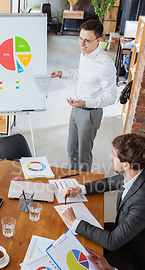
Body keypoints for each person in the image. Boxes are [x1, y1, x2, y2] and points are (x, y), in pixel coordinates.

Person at [60, 134, 145, 270]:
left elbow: (112, 242)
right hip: (132, 234)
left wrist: (74, 221)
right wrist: (80, 189)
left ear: (126, 164)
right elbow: (112, 182)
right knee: (78, 239)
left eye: (114, 155)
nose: (110, 156)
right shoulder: (140, 169)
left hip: (139, 256)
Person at [51, 19, 117, 172]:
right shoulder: (85, 54)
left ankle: (82, 186)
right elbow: (82, 74)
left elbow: (111, 97)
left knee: (83, 155)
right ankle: (71, 179)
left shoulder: (105, 65)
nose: (82, 43)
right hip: (76, 108)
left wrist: (85, 102)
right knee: (71, 149)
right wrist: (63, 74)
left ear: (98, 41)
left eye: (87, 40)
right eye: (80, 38)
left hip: (90, 114)